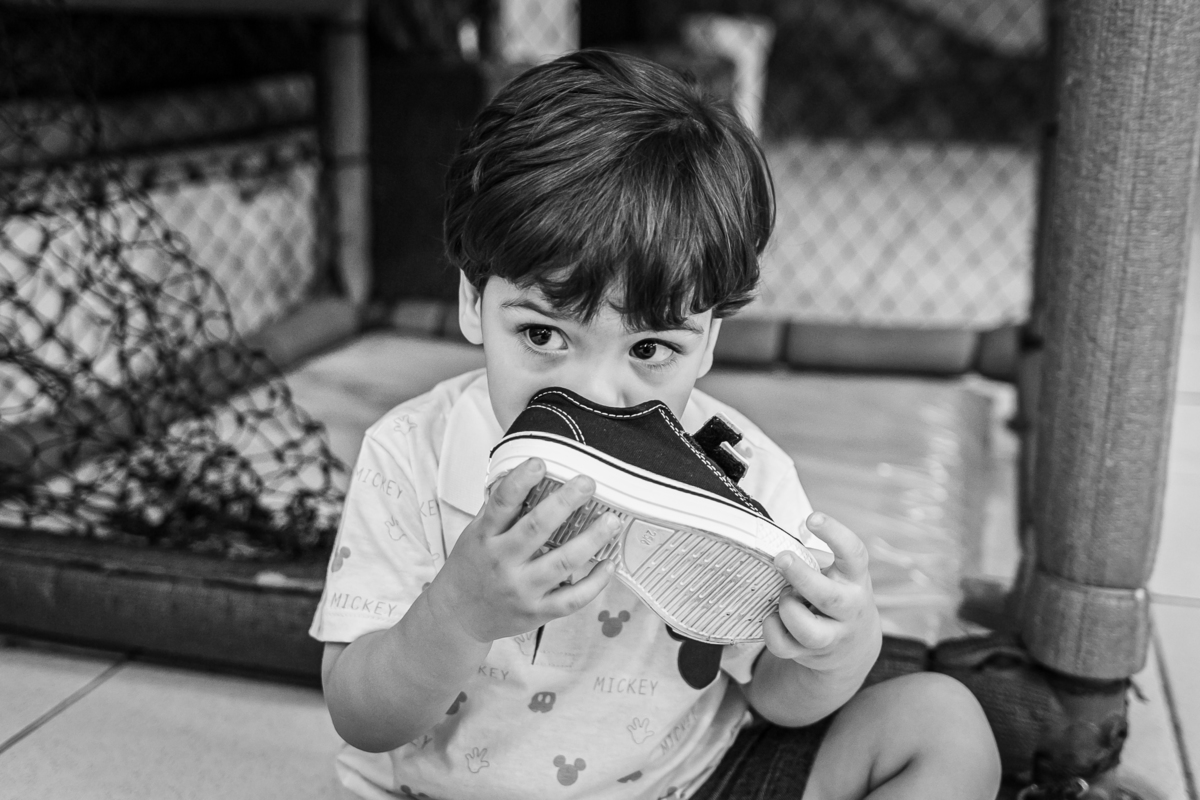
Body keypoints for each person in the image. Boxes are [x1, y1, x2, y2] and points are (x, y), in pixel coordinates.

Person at [312, 49, 1001, 800]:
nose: (595, 393)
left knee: (942, 722)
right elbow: (361, 715)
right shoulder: (411, 455)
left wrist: (838, 643)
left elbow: (776, 697)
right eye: (544, 335)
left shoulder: (742, 471)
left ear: (707, 341)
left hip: (691, 781)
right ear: (474, 303)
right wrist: (457, 612)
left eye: (649, 349)